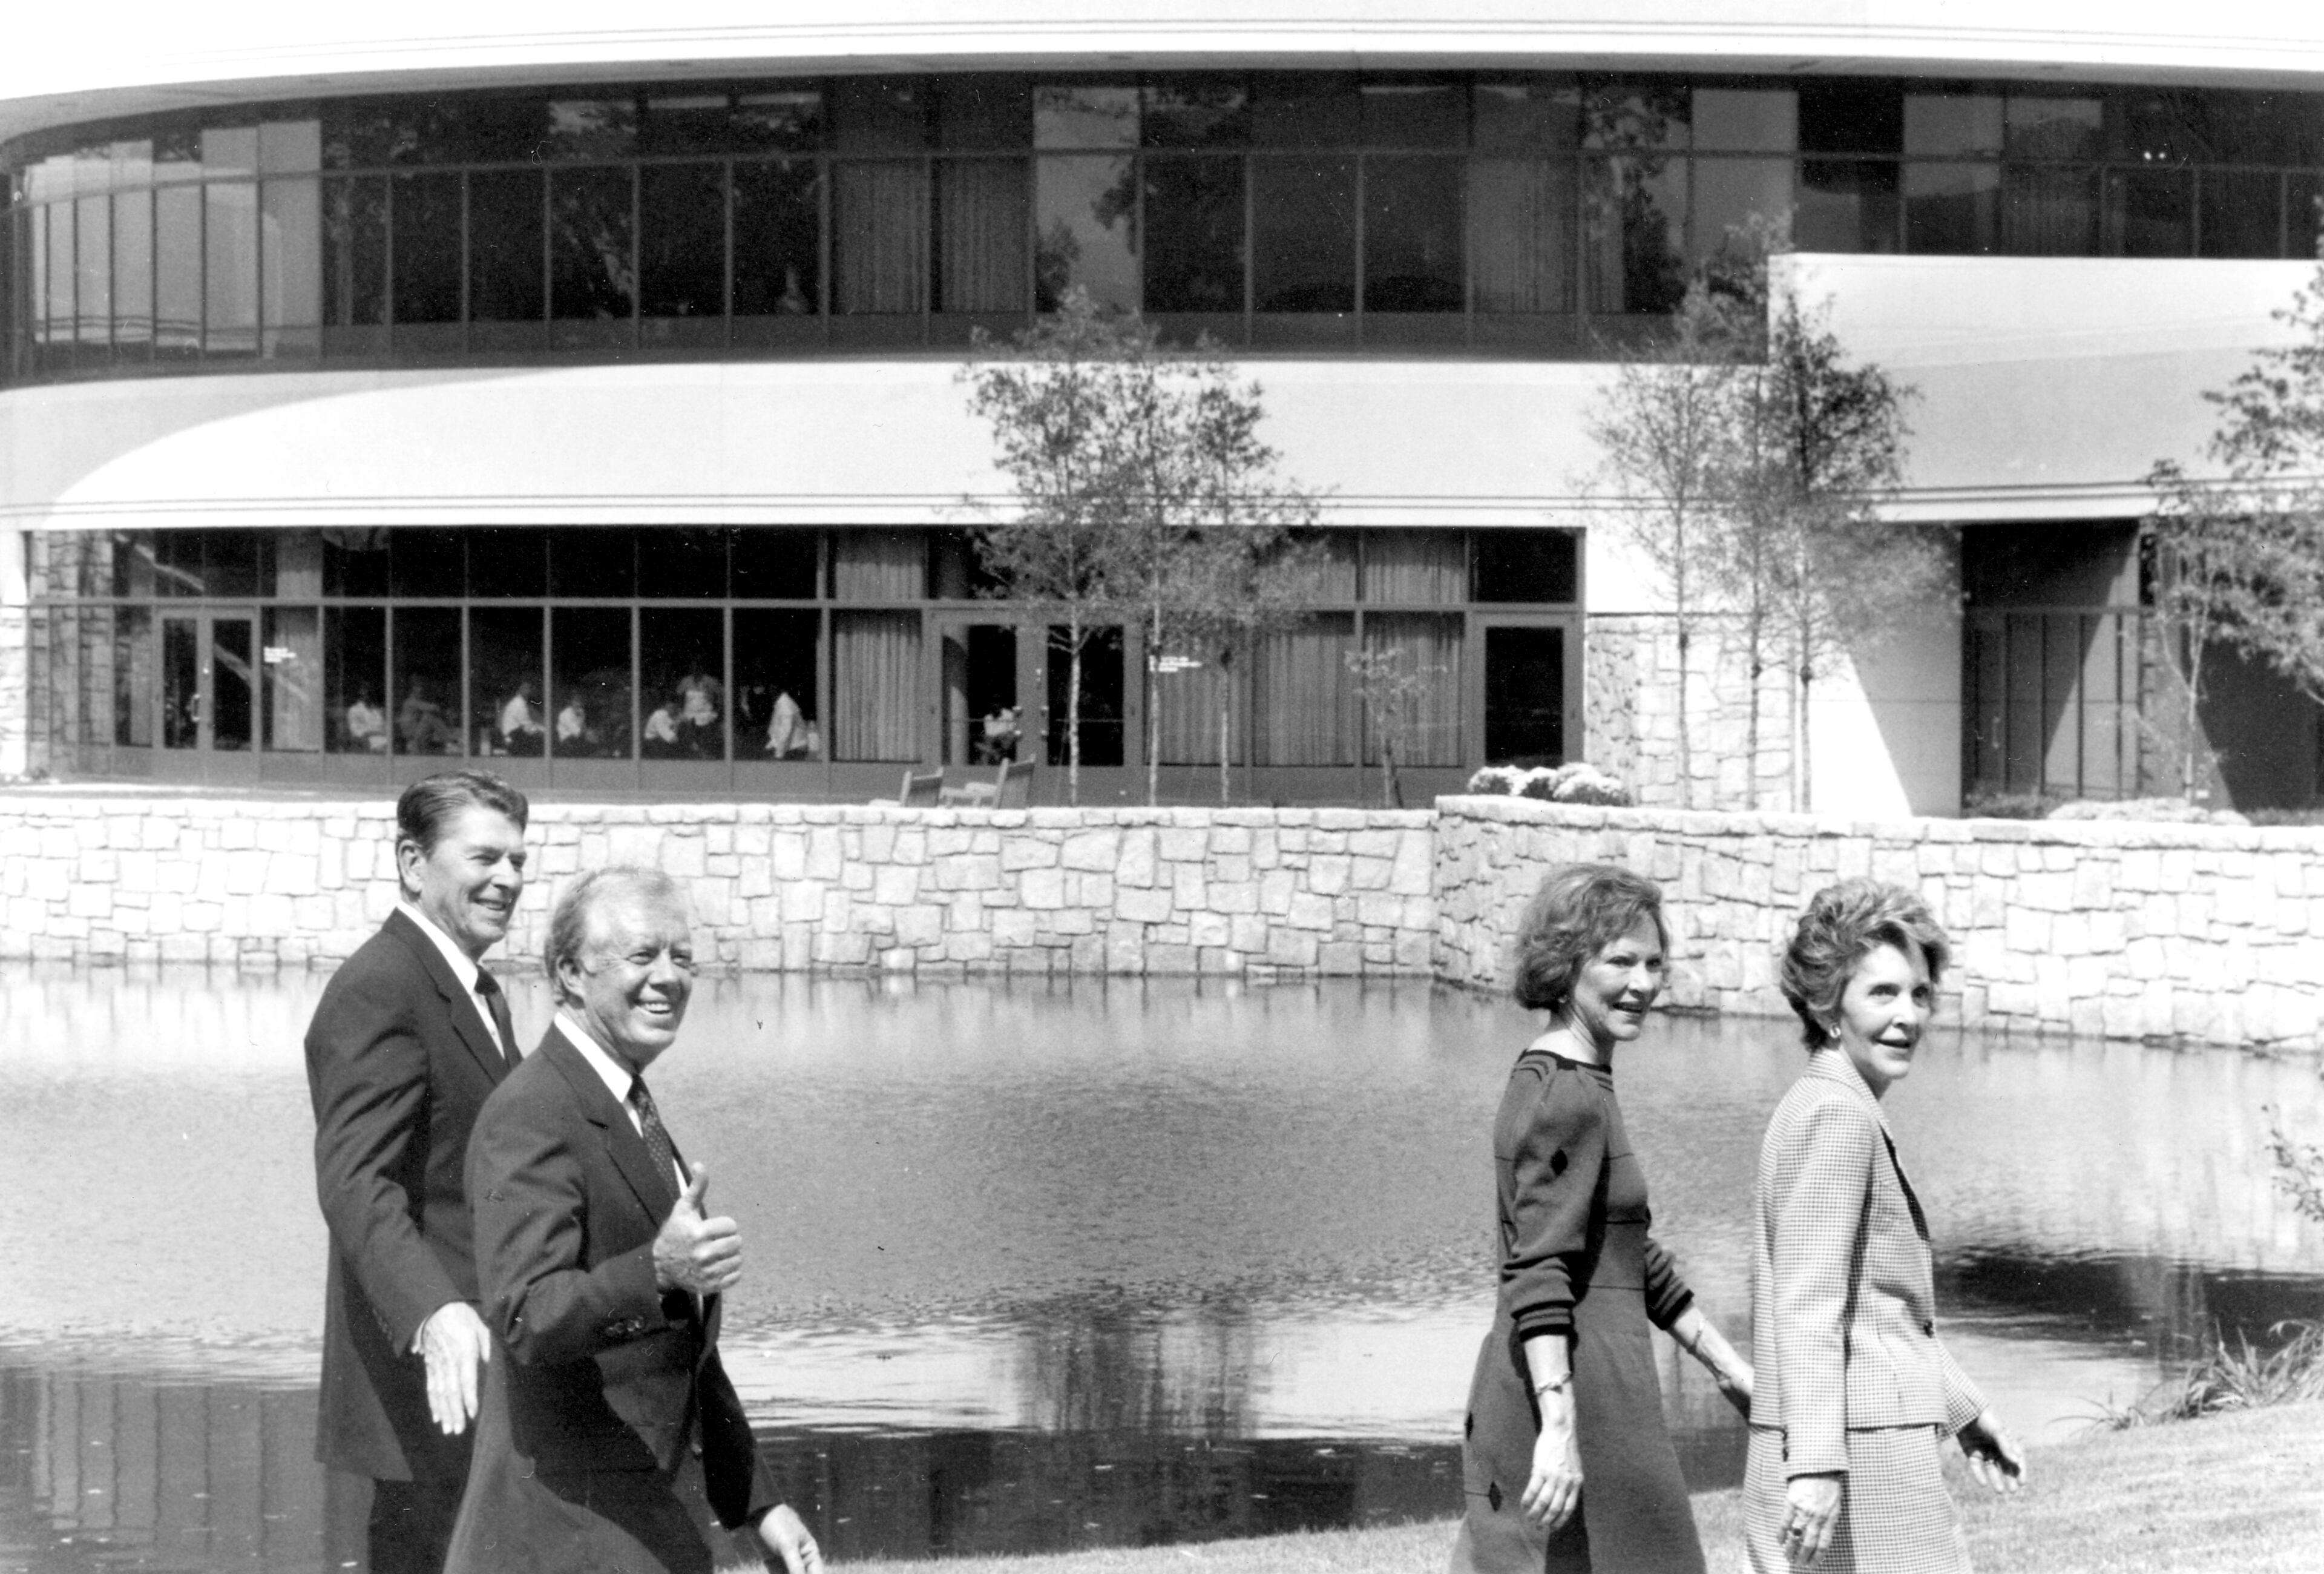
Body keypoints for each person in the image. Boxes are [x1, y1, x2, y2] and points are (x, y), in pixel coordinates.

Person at [444, 868, 822, 1574]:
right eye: (643, 955)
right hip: (564, 1545)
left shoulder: (624, 1101)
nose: (669, 977)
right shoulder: (531, 1110)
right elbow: (526, 1313)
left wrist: (758, 1503)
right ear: (570, 973)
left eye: (683, 957)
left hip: (636, 1532)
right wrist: (656, 1270)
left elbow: (678, 1350)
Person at [1452, 864, 1753, 1574]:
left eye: (1654, 963)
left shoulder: (1574, 1079)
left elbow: (1625, 1251)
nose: (1642, 983)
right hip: (1575, 1395)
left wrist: (1727, 1365)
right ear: (1566, 965)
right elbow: (1539, 1265)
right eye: (1620, 961)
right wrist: (1559, 1425)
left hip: (1597, 1388)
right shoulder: (1566, 1093)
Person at [1747, 881, 2024, 1573]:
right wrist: (1815, 1466)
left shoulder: (1832, 1101)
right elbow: (1809, 1306)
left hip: (1863, 1444)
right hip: (1856, 1457)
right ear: (1827, 1003)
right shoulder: (1837, 1114)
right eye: (1883, 993)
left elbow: (1880, 1310)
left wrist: (1963, 1410)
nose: (1908, 1015)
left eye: (1920, 993)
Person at [304, 770, 530, 1574]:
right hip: (425, 1377)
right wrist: (433, 1311)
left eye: (517, 861)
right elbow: (355, 1180)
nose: (507, 879)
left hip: (482, 1365)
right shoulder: (382, 985)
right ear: (411, 862)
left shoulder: (476, 990)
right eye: (484, 858)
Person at [398, 679, 455, 756]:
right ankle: (450, 742)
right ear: (412, 691)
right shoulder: (411, 702)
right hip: (412, 735)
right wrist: (445, 710)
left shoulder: (415, 701)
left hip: (416, 734)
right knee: (429, 717)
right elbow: (433, 708)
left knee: (430, 717)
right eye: (418, 688)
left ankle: (449, 741)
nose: (421, 691)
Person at [497, 679, 544, 757]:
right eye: (525, 688)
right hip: (513, 737)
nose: (528, 691)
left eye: (529, 688)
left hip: (515, 735)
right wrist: (542, 731)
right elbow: (527, 725)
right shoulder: (519, 704)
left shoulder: (521, 703)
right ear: (519, 690)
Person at [766, 687, 807, 759]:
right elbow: (775, 721)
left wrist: (779, 752)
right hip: (782, 738)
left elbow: (786, 731)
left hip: (794, 743)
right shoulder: (781, 700)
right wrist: (774, 740)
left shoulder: (786, 706)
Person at [346, 688, 390, 752]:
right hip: (367, 741)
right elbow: (356, 732)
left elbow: (384, 728)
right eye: (365, 695)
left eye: (370, 695)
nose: (368, 697)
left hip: (384, 740)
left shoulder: (376, 711)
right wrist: (373, 733)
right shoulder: (354, 710)